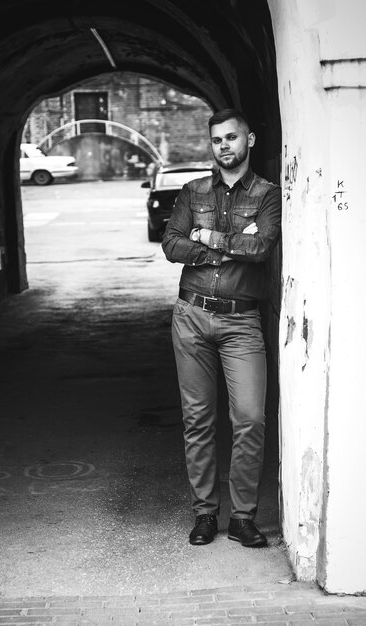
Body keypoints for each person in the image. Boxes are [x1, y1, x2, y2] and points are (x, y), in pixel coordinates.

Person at [162, 108, 281, 547]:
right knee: (198, 420)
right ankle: (205, 514)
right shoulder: (192, 191)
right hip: (191, 316)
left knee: (249, 417)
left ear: (248, 141)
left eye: (232, 137)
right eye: (217, 140)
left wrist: (207, 237)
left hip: (241, 321)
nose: (224, 146)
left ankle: (243, 517)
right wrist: (231, 247)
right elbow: (172, 244)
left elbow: (262, 245)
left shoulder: (268, 194)